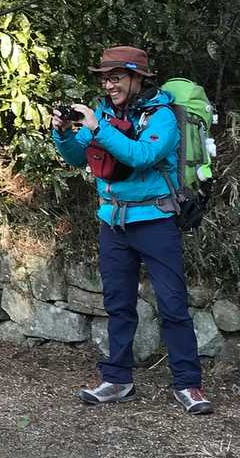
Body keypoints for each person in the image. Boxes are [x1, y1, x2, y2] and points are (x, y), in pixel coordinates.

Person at [52, 45, 211, 414]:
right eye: (105, 79)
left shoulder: (163, 117)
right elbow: (77, 156)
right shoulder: (104, 113)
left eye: (117, 77)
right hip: (113, 223)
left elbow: (142, 156)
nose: (109, 85)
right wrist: (63, 133)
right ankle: (117, 380)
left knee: (172, 305)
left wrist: (98, 128)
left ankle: (188, 384)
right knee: (118, 305)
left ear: (138, 78)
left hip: (155, 221)